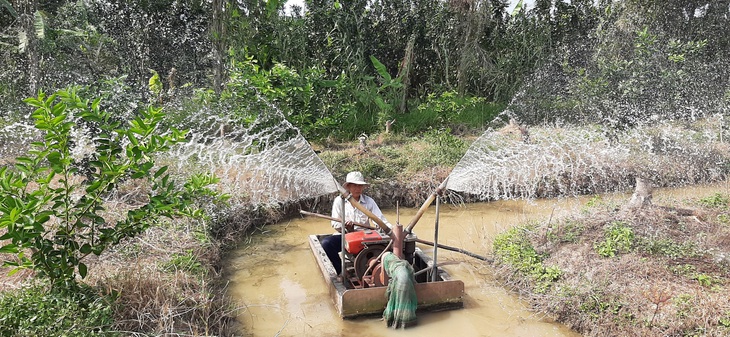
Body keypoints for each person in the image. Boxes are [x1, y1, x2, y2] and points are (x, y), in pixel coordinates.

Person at [321, 171, 392, 275]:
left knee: (390, 246)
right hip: (346, 236)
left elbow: (380, 220)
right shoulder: (339, 201)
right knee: (326, 244)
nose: (358, 189)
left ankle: (381, 268)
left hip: (365, 237)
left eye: (360, 186)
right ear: (348, 186)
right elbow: (335, 224)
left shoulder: (369, 201)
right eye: (355, 186)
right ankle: (341, 271)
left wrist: (391, 229)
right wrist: (346, 228)